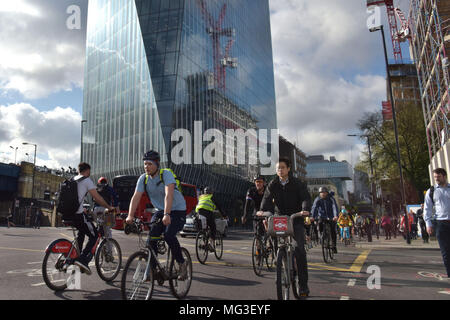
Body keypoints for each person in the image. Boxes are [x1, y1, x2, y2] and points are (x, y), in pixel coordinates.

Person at [126, 150, 188, 280]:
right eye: (145, 164)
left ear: (157, 164)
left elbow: (169, 194)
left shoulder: (165, 174)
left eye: (149, 164)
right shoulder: (143, 179)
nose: (146, 167)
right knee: (151, 238)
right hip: (161, 210)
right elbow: (135, 197)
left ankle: (182, 263)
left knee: (169, 235)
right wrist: (130, 216)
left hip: (178, 210)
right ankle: (152, 270)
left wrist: (167, 214)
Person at [259, 157, 311, 296]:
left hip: (296, 218)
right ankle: (280, 261)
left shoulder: (297, 183)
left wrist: (305, 209)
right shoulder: (273, 184)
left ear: (288, 169)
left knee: (300, 251)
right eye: (278, 168)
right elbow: (267, 199)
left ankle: (303, 286)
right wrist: (263, 211)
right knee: (276, 242)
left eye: (282, 167)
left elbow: (305, 197)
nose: (280, 170)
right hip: (280, 218)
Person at [69, 162, 116, 275]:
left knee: (82, 231)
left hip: (68, 214)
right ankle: (83, 260)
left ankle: (77, 255)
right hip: (77, 214)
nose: (90, 174)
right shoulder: (86, 180)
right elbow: (97, 198)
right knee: (94, 235)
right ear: (87, 171)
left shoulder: (72, 179)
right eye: (89, 172)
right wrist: (109, 207)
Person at [424, 168, 450, 278]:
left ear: (444, 176)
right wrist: (428, 224)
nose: (436, 179)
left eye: (438, 177)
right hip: (441, 224)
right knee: (445, 251)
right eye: (435, 177)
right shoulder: (432, 191)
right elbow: (427, 208)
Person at [195, 186, 226, 251]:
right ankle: (210, 244)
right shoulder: (212, 197)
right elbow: (219, 206)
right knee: (213, 227)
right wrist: (224, 215)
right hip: (208, 213)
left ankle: (204, 241)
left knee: (204, 229)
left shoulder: (201, 197)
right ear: (211, 192)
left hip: (199, 212)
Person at [311, 187, 339, 253]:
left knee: (332, 230)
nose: (323, 194)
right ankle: (322, 236)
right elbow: (314, 207)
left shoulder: (331, 198)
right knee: (320, 224)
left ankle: (334, 246)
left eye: (324, 192)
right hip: (321, 216)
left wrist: (335, 216)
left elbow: (334, 207)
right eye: (321, 193)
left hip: (331, 216)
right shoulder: (317, 199)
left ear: (327, 193)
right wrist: (312, 216)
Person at [93, 177, 119, 247]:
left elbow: (94, 200)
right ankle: (109, 250)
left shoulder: (96, 189)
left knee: (98, 227)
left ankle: (97, 246)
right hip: (106, 210)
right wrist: (117, 212)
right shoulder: (110, 189)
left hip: (96, 210)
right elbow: (115, 201)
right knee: (108, 231)